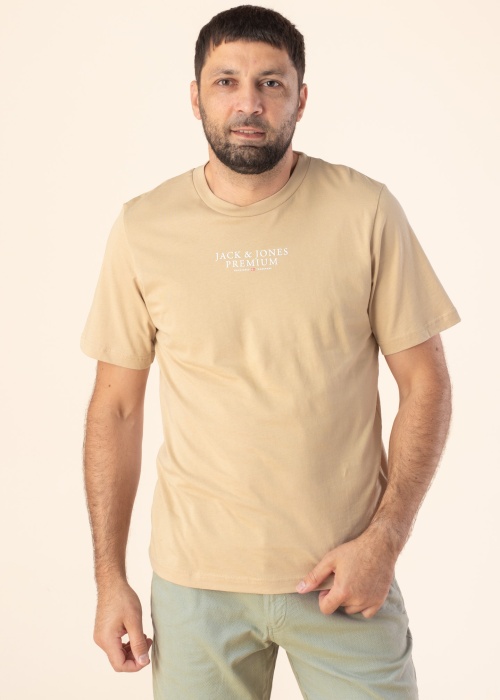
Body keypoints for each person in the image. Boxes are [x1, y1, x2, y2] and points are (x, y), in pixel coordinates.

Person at [81, 6, 460, 699]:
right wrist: (111, 579)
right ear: (195, 96)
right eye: (226, 81)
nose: (248, 103)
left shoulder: (365, 211)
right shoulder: (143, 228)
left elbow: (426, 383)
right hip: (195, 587)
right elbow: (116, 410)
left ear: (301, 98)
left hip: (346, 581)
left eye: (271, 83)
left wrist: (385, 541)